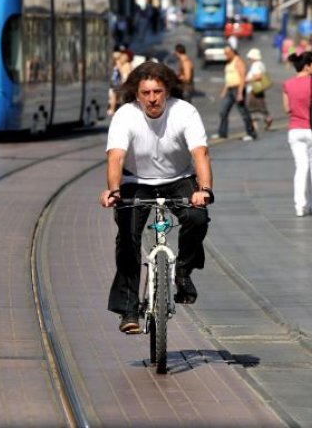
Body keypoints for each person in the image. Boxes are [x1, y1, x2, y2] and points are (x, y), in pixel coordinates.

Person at [99, 61, 214, 334]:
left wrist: (205, 190)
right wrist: (113, 190)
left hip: (178, 179)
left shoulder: (185, 112)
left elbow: (200, 154)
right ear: (137, 94)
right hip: (135, 182)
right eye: (146, 93)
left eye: (158, 92)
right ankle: (128, 310)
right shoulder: (125, 115)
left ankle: (183, 272)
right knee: (127, 237)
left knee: (198, 218)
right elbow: (115, 156)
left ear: (168, 91)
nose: (153, 99)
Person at [283, 52, 312, 217]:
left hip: (294, 130)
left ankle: (300, 206)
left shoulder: (287, 84)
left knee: (300, 167)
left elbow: (287, 109)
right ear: (306, 66)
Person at [213, 45, 257, 141]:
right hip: (230, 89)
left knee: (243, 112)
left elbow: (242, 77)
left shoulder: (238, 61)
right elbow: (228, 77)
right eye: (225, 54)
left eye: (227, 53)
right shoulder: (229, 63)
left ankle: (251, 133)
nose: (226, 55)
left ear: (232, 52)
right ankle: (222, 133)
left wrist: (240, 92)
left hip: (237, 89)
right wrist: (224, 90)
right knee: (223, 111)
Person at [245, 48, 273, 132]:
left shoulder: (255, 65)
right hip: (259, 89)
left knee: (252, 109)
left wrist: (247, 80)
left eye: (250, 58)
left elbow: (258, 76)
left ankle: (260, 124)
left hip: (254, 90)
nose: (249, 60)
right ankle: (266, 120)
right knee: (261, 106)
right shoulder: (261, 64)